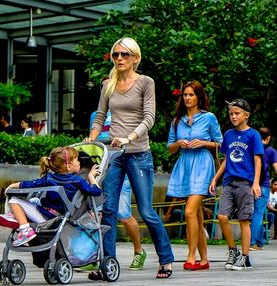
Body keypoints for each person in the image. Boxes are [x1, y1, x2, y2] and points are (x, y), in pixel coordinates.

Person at [85, 37, 174, 279]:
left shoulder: (145, 82)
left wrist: (129, 137)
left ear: (135, 57)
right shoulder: (109, 85)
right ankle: (107, 264)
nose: (120, 58)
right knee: (109, 210)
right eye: (116, 55)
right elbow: (100, 116)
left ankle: (165, 259)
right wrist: (92, 137)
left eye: (125, 54)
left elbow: (149, 118)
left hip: (138, 154)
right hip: (114, 155)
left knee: (146, 211)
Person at [0, 146, 102, 247]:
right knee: (32, 200)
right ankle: (24, 229)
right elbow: (96, 191)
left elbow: (32, 184)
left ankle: (18, 221)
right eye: (77, 160)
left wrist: (14, 185)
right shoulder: (77, 180)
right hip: (53, 217)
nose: (79, 162)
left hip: (46, 215)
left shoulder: (49, 178)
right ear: (68, 166)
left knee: (14, 200)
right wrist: (91, 176)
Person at [166, 80, 223, 271]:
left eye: (192, 94)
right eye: (185, 95)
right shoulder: (177, 120)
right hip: (185, 166)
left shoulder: (209, 118)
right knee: (197, 214)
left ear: (199, 97)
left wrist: (204, 143)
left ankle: (191, 257)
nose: (188, 98)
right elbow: (170, 148)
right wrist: (179, 143)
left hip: (203, 165)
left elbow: (221, 144)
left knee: (190, 211)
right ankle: (204, 259)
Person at [209, 98, 264, 271]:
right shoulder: (228, 135)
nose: (233, 116)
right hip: (229, 183)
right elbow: (226, 159)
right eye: (231, 113)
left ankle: (245, 258)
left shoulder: (253, 135)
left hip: (246, 183)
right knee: (222, 217)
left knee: (244, 220)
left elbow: (258, 160)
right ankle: (233, 250)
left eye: (237, 113)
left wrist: (255, 183)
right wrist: (215, 178)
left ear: (246, 115)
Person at [90, 110, 146, 270]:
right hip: (102, 171)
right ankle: (97, 256)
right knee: (99, 213)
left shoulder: (126, 111)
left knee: (124, 215)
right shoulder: (96, 116)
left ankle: (139, 251)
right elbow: (95, 142)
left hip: (122, 167)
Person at [250, 127, 277, 250]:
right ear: (269, 138)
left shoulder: (250, 148)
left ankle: (259, 242)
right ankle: (253, 242)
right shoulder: (271, 151)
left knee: (253, 213)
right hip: (263, 185)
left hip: (248, 183)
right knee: (258, 213)